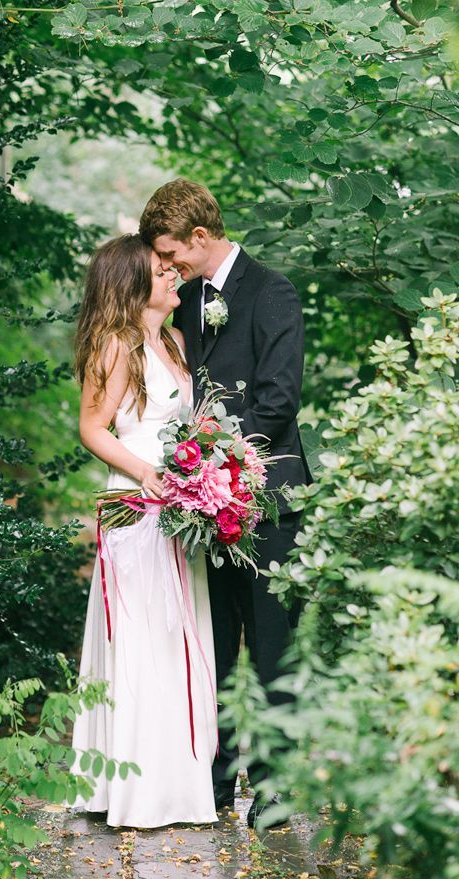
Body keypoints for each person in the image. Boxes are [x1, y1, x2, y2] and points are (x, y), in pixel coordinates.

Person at [139, 178, 312, 828]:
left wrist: (221, 464)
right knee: (212, 647)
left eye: (172, 253)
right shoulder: (184, 303)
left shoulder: (273, 292)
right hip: (202, 508)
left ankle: (276, 792)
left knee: (271, 651)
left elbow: (278, 398)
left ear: (201, 238)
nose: (168, 266)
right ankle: (211, 785)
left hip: (267, 503)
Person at [71, 234, 218, 829]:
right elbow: (93, 427)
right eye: (161, 271)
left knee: (181, 636)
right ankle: (135, 790)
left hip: (182, 511)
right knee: (141, 641)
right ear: (133, 284)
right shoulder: (116, 346)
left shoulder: (177, 343)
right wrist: (145, 473)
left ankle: (179, 786)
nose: (173, 276)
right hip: (136, 506)